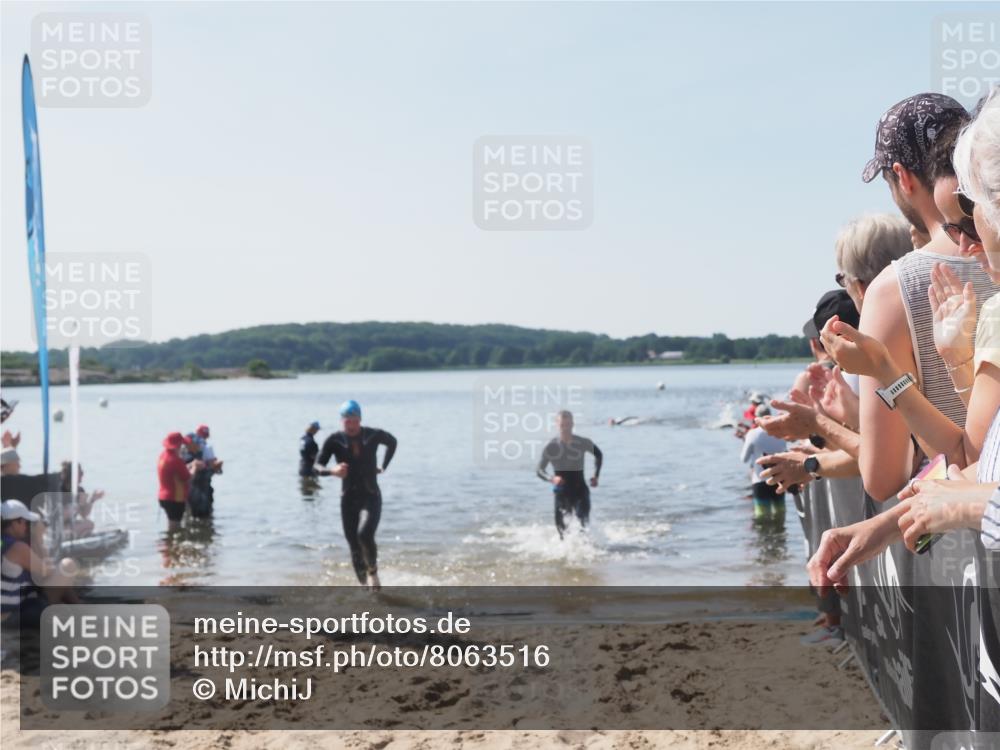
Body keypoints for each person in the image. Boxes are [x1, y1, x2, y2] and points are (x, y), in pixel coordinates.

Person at [315, 400, 397, 590]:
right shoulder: (334, 440)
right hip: (348, 498)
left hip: (371, 495)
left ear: (360, 420)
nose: (351, 425)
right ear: (341, 421)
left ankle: (373, 572)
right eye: (347, 421)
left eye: (354, 421)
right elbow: (317, 466)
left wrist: (384, 466)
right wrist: (332, 471)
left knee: (364, 534)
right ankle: (365, 588)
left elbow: (392, 442)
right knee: (354, 545)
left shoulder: (372, 435)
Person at [1, 499, 76, 629]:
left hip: (11, 611)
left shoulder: (3, 542)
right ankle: (80, 607)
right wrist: (39, 538)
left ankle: (78, 605)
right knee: (67, 565)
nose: (26, 526)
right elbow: (48, 571)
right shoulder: (17, 547)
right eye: (24, 522)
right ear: (14, 523)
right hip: (10, 619)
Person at [536, 410, 603, 539]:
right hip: (561, 493)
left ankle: (587, 549)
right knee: (562, 532)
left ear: (572, 424)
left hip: (580, 490)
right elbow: (539, 470)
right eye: (562, 425)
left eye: (568, 424)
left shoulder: (582, 442)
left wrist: (596, 475)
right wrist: (552, 478)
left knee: (583, 526)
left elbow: (598, 454)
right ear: (557, 425)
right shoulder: (551, 446)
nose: (565, 428)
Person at [740, 404, 787, 521]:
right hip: (779, 480)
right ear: (769, 416)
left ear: (756, 417)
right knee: (780, 515)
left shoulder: (752, 434)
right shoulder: (780, 433)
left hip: (760, 480)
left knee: (761, 517)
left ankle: (765, 534)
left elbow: (744, 459)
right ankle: (780, 533)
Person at [158, 432, 199, 530]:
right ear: (177, 446)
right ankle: (171, 539)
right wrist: (195, 467)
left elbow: (174, 472)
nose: (183, 447)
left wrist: (189, 465)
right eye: (181, 445)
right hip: (175, 499)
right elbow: (188, 478)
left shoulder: (163, 456)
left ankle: (169, 539)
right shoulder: (176, 460)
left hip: (163, 496)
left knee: (172, 525)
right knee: (175, 527)